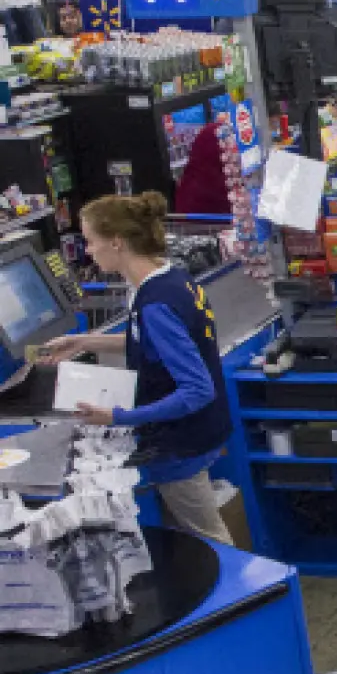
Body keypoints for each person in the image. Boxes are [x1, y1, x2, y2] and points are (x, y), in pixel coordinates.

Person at [39, 194, 233, 545]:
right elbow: (150, 341)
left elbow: (197, 389)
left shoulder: (155, 304)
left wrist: (118, 417)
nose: (88, 251)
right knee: (189, 539)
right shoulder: (168, 279)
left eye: (91, 241)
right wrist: (84, 342)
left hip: (180, 443)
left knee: (210, 543)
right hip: (197, 431)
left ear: (116, 242)